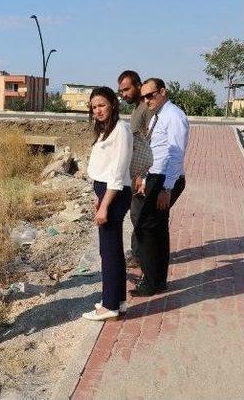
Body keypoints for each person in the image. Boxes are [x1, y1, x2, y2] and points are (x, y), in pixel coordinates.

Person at [131, 78, 189, 297]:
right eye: (143, 97)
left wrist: (167, 188)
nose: (147, 100)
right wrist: (144, 177)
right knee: (157, 229)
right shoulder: (159, 115)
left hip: (166, 180)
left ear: (162, 92)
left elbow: (175, 154)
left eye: (150, 95)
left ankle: (152, 280)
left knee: (146, 226)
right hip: (156, 177)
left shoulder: (173, 116)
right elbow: (155, 151)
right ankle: (157, 280)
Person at [82, 86, 133, 321]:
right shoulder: (106, 130)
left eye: (101, 105)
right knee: (110, 249)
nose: (98, 110)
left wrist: (104, 205)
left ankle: (110, 305)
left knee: (109, 251)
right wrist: (98, 199)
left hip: (114, 193)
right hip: (106, 193)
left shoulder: (121, 129)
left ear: (113, 103)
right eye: (94, 107)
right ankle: (117, 300)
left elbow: (118, 172)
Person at [117, 70, 154, 271]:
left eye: (127, 89)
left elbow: (151, 142)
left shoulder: (146, 108)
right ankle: (139, 253)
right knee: (136, 214)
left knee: (139, 215)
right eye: (121, 91)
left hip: (143, 174)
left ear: (138, 85)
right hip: (138, 172)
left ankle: (140, 257)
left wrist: (144, 176)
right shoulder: (138, 107)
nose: (124, 94)